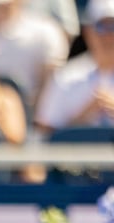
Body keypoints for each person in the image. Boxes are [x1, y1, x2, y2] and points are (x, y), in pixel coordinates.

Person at [35, 0, 114, 134]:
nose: (108, 36)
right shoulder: (65, 77)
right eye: (101, 26)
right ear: (88, 32)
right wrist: (82, 120)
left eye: (113, 27)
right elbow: (43, 135)